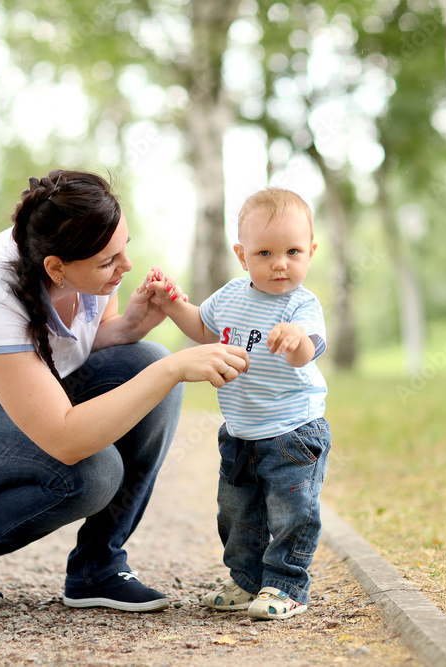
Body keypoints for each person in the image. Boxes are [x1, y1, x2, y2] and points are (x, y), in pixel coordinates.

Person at [0, 170, 249, 613]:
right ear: (55, 267)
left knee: (145, 359)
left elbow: (75, 347)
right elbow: (65, 438)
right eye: (108, 262)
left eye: (124, 249)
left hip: (14, 412)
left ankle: (99, 566)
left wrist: (127, 328)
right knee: (93, 469)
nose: (126, 267)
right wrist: (174, 368)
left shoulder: (71, 248)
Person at [146, 187, 330, 620]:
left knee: (291, 513)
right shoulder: (230, 295)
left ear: (311, 252)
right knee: (237, 512)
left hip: (293, 433)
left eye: (293, 251)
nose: (280, 263)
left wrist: (296, 341)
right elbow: (205, 330)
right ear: (243, 255)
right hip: (240, 432)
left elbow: (308, 352)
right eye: (264, 252)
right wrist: (174, 305)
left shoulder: (301, 304)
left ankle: (286, 586)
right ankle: (246, 581)